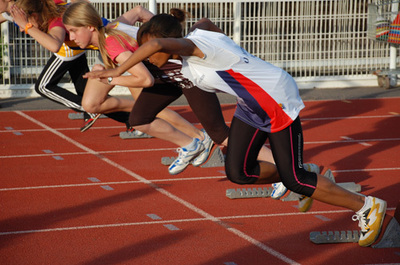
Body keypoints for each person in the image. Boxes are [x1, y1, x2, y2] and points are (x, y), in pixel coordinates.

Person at [85, 10, 387, 247]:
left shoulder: (193, 47)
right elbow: (204, 23)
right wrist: (237, 54)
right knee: (238, 172)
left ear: (169, 42)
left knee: (295, 181)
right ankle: (301, 172)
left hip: (276, 99)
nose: (148, 57)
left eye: (149, 53)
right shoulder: (197, 36)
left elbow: (156, 44)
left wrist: (116, 70)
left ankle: (367, 206)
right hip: (251, 104)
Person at [62, 1, 213, 175]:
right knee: (119, 111)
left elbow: (145, 79)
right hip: (160, 71)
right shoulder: (109, 32)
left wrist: (110, 78)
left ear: (89, 26)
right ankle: (195, 142)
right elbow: (139, 12)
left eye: (73, 31)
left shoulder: (112, 44)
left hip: (178, 74)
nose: (71, 38)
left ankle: (196, 141)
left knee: (143, 118)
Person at [9, 0, 131, 132]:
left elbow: (54, 45)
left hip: (80, 48)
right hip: (80, 47)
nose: (21, 29)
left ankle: (92, 109)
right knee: (87, 93)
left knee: (43, 86)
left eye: (23, 24)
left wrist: (28, 27)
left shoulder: (55, 20)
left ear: (35, 16)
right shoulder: (42, 6)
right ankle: (128, 118)